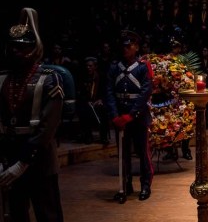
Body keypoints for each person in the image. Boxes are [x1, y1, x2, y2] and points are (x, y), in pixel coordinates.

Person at [0, 7, 65, 222]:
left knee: (47, 217)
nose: (19, 52)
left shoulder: (49, 79)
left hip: (38, 160)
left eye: (24, 47)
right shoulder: (2, 80)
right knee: (16, 220)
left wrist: (22, 162)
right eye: (15, 47)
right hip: (8, 156)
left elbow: (46, 129)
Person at [105, 30, 154, 202]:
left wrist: (131, 115)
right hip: (120, 115)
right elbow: (109, 92)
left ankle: (145, 184)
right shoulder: (114, 66)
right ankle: (125, 184)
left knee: (142, 152)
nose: (125, 49)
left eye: (129, 46)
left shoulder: (142, 66)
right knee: (123, 153)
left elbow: (145, 92)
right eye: (123, 46)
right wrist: (115, 115)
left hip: (138, 116)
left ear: (136, 47)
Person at [162, 37, 193, 161]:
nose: (176, 49)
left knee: (186, 124)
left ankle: (186, 150)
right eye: (173, 47)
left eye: (177, 47)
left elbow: (190, 75)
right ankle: (170, 151)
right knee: (168, 125)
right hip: (169, 96)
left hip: (183, 96)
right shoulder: (165, 60)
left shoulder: (184, 60)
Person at [75, 56, 110, 145]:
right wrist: (86, 101)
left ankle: (104, 137)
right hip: (87, 102)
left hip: (98, 101)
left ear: (95, 67)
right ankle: (88, 136)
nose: (88, 68)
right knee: (83, 110)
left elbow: (106, 92)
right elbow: (79, 93)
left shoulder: (101, 77)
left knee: (104, 111)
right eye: (87, 66)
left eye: (90, 66)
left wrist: (101, 100)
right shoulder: (82, 77)